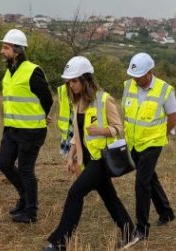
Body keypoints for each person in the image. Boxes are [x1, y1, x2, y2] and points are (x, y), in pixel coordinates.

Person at [44, 56, 135, 251]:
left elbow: (119, 128)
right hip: (88, 159)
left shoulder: (104, 99)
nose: (71, 85)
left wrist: (101, 131)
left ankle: (59, 242)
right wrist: (71, 155)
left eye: (74, 80)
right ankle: (130, 232)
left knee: (75, 193)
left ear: (86, 79)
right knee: (110, 197)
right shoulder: (76, 102)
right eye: (68, 81)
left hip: (101, 159)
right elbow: (77, 133)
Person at [121, 52, 176, 247]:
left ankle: (142, 228)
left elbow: (173, 118)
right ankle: (166, 212)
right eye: (133, 76)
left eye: (139, 76)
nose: (136, 80)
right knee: (150, 178)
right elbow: (127, 113)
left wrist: (162, 135)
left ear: (150, 72)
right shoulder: (128, 86)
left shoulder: (165, 90)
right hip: (134, 142)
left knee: (142, 182)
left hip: (153, 143)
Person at [0, 28, 53, 223]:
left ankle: (31, 212)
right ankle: (24, 197)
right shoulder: (9, 71)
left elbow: (47, 98)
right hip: (11, 128)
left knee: (25, 170)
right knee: (3, 163)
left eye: (6, 47)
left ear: (17, 50)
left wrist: (42, 115)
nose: (2, 51)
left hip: (31, 131)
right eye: (2, 47)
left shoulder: (32, 70)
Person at [56, 83, 73, 156]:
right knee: (72, 156)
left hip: (72, 125)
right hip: (68, 127)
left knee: (74, 155)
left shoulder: (81, 86)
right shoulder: (62, 89)